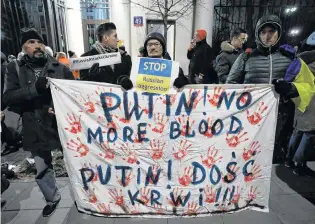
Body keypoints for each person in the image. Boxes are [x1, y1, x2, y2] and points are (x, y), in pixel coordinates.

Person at [3, 28, 74, 217]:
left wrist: (57, 108)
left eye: (39, 42)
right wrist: (34, 88)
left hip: (59, 125)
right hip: (34, 125)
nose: (37, 46)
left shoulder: (59, 67)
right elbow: (8, 97)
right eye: (31, 42)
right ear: (23, 47)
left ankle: (83, 195)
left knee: (75, 162)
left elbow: (72, 94)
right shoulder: (14, 69)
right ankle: (52, 198)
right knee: (42, 168)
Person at [226, 15, 295, 162]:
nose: (267, 36)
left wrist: (290, 89)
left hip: (280, 120)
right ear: (258, 34)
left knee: (271, 160)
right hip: (251, 118)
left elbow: (304, 87)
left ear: (279, 32)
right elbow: (230, 83)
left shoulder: (288, 58)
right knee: (249, 158)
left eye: (271, 31)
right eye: (263, 32)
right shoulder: (246, 57)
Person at [282, 36, 315, 175]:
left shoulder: (300, 61)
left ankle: (289, 159)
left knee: (297, 131)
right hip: (312, 101)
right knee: (308, 133)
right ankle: (298, 163)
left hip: (300, 100)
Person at [80, 22, 132, 90]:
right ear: (106, 37)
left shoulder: (124, 57)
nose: (118, 39)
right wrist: (92, 76)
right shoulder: (87, 58)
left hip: (121, 99)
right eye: (115, 36)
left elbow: (131, 83)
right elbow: (84, 88)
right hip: (100, 99)